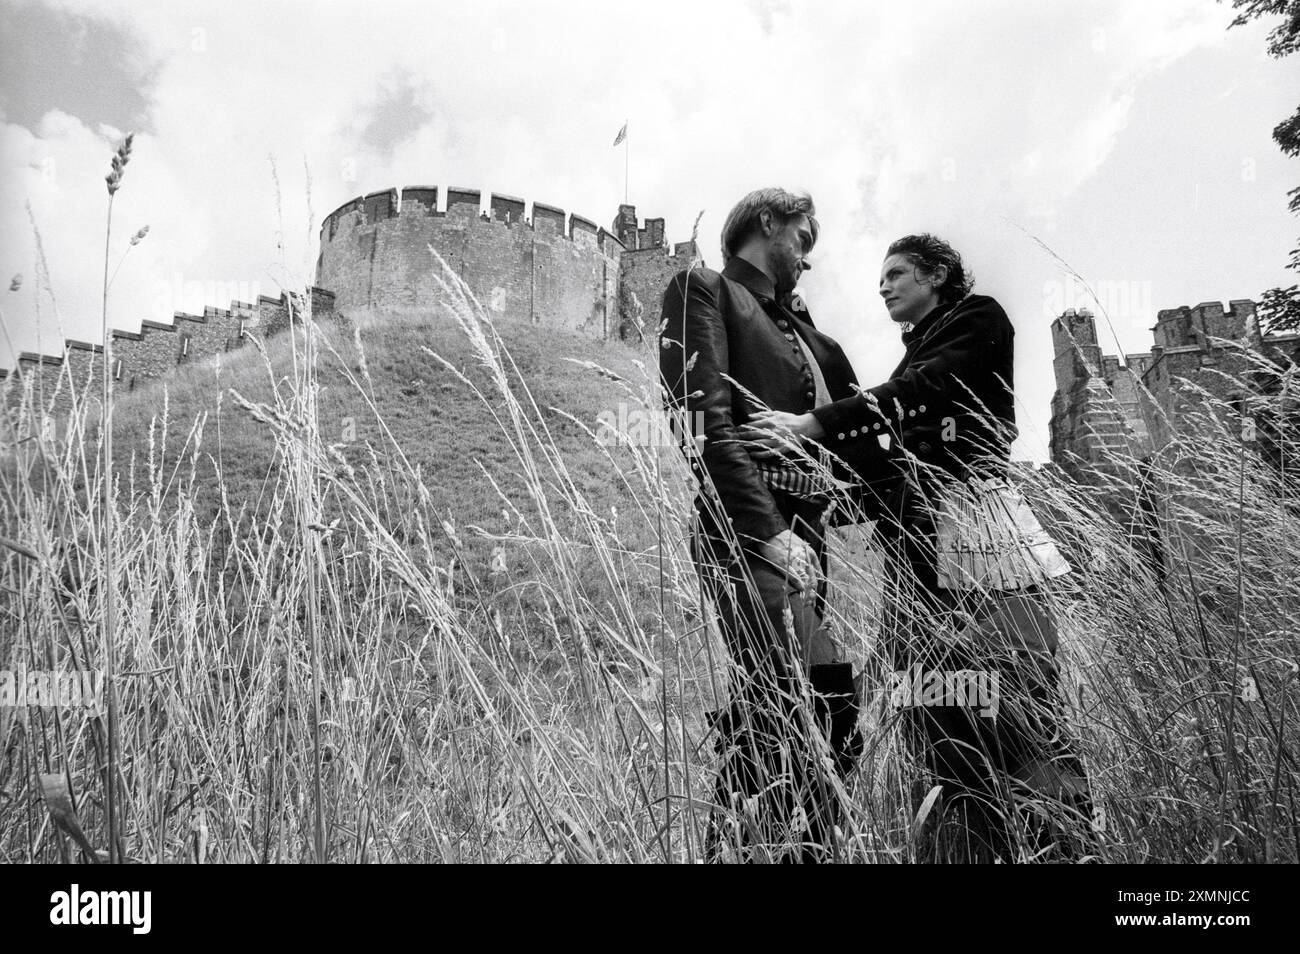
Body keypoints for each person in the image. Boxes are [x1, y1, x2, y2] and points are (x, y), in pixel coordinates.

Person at [744, 233, 1096, 862]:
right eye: (881, 276)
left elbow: (923, 395)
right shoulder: (910, 361)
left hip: (986, 550)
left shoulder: (978, 320)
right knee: (938, 734)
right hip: (921, 567)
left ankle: (1064, 851)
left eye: (898, 273)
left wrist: (813, 423)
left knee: (1024, 722)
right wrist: (810, 483)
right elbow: (894, 468)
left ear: (936, 276)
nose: (883, 286)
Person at [658, 188, 870, 862]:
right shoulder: (705, 289)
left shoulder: (815, 338)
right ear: (767, 222)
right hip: (746, 532)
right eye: (803, 239)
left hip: (809, 540)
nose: (808, 260)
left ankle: (773, 850)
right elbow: (700, 421)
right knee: (819, 699)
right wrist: (768, 531)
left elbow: (865, 434)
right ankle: (751, 848)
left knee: (784, 706)